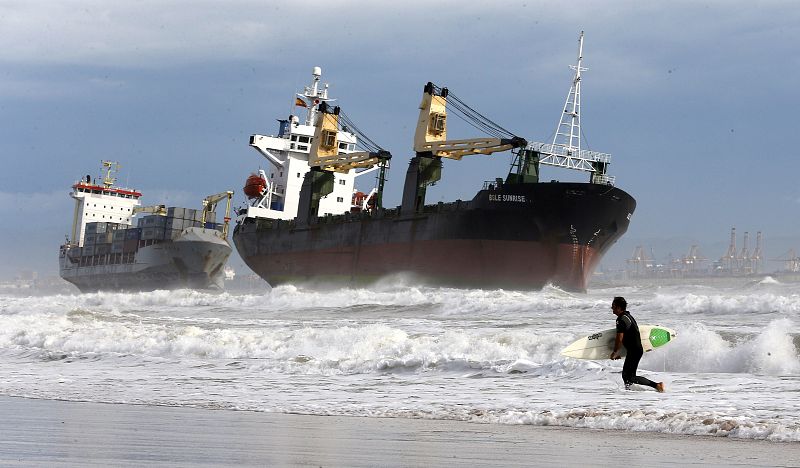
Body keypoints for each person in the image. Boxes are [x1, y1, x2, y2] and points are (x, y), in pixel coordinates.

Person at [609, 296, 665, 392]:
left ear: (618, 307)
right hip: (635, 350)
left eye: (613, 306)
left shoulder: (621, 319)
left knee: (629, 377)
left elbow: (620, 337)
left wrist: (615, 351)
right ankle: (630, 392)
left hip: (634, 350)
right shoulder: (628, 316)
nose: (612, 308)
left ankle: (656, 385)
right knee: (628, 376)